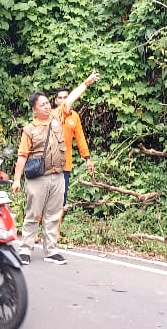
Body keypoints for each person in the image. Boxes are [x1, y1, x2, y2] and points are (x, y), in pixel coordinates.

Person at [10, 72, 100, 265]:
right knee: (33, 214)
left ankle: (51, 251)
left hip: (58, 175)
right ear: (34, 110)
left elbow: (71, 98)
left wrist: (86, 83)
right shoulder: (29, 129)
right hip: (37, 178)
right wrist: (17, 180)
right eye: (42, 104)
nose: (47, 106)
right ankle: (25, 250)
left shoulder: (58, 116)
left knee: (53, 215)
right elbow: (22, 156)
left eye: (46, 103)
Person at [54, 86, 93, 236]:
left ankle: (55, 232)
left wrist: (87, 158)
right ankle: (35, 232)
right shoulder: (53, 115)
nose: (64, 100)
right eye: (60, 97)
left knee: (61, 199)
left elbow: (80, 138)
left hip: (66, 164)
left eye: (66, 97)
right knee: (44, 199)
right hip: (49, 164)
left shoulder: (74, 117)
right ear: (56, 101)